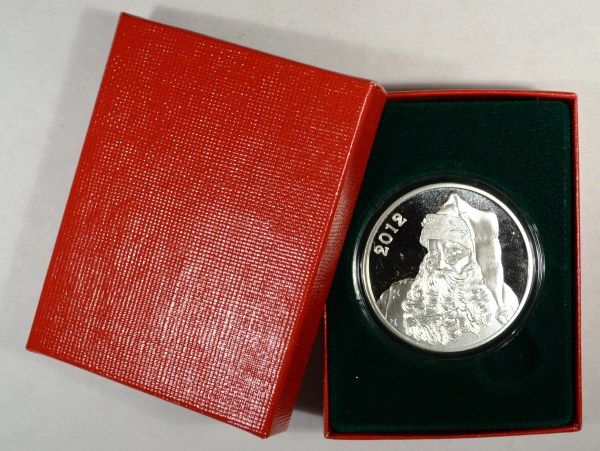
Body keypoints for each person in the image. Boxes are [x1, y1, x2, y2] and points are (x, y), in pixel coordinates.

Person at [376, 193, 518, 347]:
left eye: (455, 253)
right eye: (434, 254)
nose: (442, 264)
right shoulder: (393, 297)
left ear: (473, 258)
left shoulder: (506, 301)